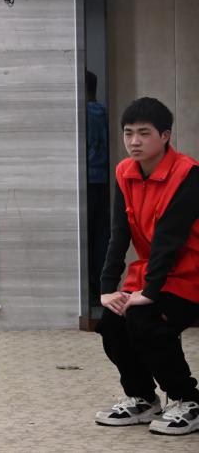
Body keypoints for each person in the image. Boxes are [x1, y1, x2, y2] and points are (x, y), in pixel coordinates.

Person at [94, 97, 199, 435]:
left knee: (144, 318)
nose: (134, 141)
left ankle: (188, 399)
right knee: (112, 321)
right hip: (150, 272)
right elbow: (119, 233)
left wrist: (150, 292)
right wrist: (107, 289)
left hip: (189, 275)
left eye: (144, 133)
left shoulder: (188, 174)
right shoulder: (125, 172)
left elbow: (170, 239)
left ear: (165, 136)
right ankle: (142, 397)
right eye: (128, 133)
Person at [85, 70, 110, 307]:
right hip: (104, 181)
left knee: (87, 237)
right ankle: (102, 288)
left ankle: (90, 290)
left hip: (85, 182)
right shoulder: (105, 112)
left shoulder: (80, 114)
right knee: (102, 236)